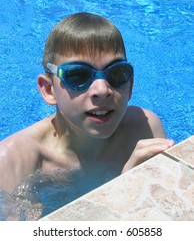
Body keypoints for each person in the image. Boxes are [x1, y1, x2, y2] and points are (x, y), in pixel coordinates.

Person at [0, 12, 174, 194]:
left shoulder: (143, 129)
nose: (102, 90)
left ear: (130, 86)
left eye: (117, 72)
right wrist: (124, 190)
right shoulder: (14, 163)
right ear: (49, 90)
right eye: (78, 75)